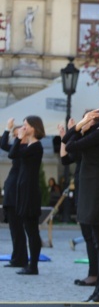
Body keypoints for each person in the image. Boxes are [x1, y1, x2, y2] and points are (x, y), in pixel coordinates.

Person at [64, 101, 99, 302]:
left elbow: (70, 143)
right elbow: (68, 145)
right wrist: (80, 125)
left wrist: (79, 126)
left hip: (98, 190)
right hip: (92, 187)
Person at [60, 118, 99, 288]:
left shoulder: (92, 140)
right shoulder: (83, 141)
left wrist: (72, 133)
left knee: (92, 236)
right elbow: (65, 159)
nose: (82, 122)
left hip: (90, 189)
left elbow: (70, 147)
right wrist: (66, 135)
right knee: (88, 235)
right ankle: (94, 273)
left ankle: (95, 274)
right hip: (82, 189)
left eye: (85, 119)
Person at [8, 116, 45, 276]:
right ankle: (31, 264)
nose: (23, 128)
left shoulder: (36, 146)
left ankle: (33, 265)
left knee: (32, 230)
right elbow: (13, 153)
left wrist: (19, 138)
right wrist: (20, 138)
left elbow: (13, 154)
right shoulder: (30, 145)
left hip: (30, 192)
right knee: (28, 228)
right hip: (24, 190)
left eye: (26, 125)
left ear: (33, 127)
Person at [1, 120, 28, 269]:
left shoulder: (25, 149)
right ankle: (17, 257)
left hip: (17, 192)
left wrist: (15, 134)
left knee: (17, 228)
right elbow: (4, 144)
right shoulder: (18, 148)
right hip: (12, 192)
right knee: (14, 229)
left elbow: (5, 146)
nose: (17, 135)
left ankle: (20, 258)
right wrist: (7, 129)